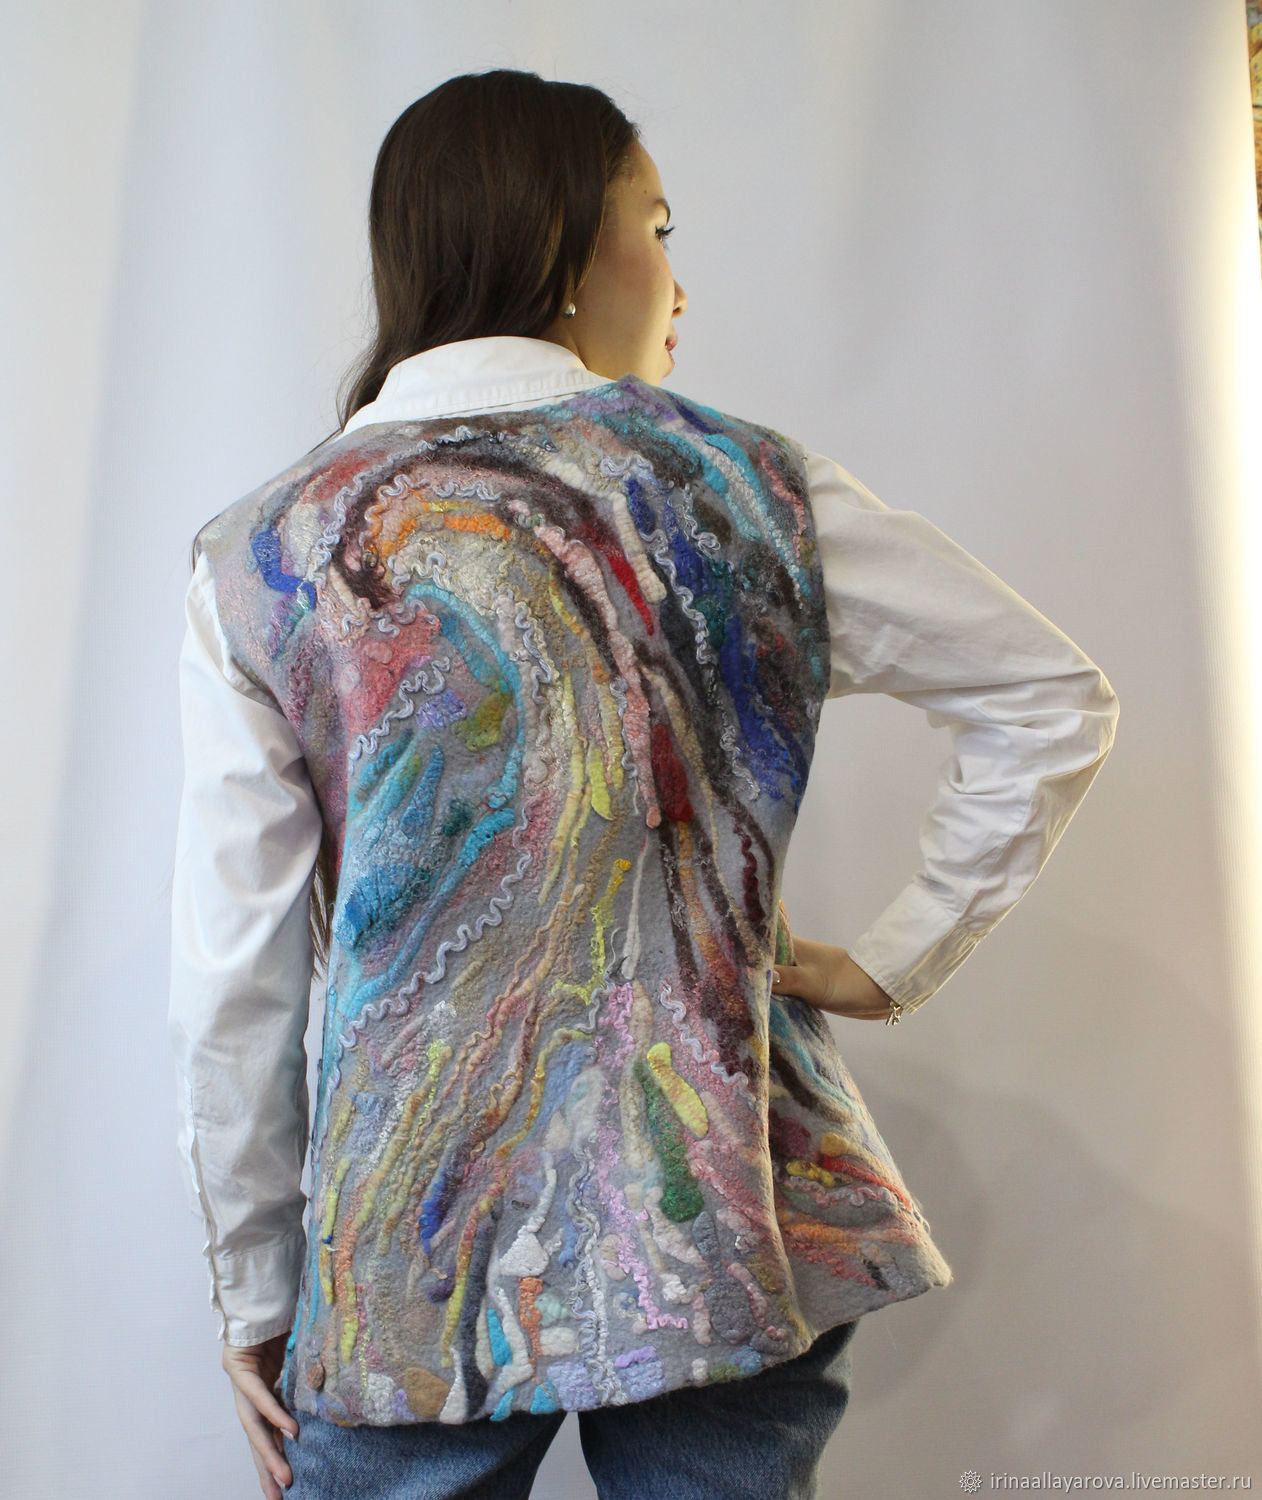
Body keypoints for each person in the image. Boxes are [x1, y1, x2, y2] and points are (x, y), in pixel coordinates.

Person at [167, 68, 1120, 1500]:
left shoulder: (266, 554)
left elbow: (231, 977)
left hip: (412, 1249)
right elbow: (1046, 696)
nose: (680, 281)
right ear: (565, 245)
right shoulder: (745, 491)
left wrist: (254, 1286)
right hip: (723, 1211)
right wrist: (896, 957)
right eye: (659, 228)